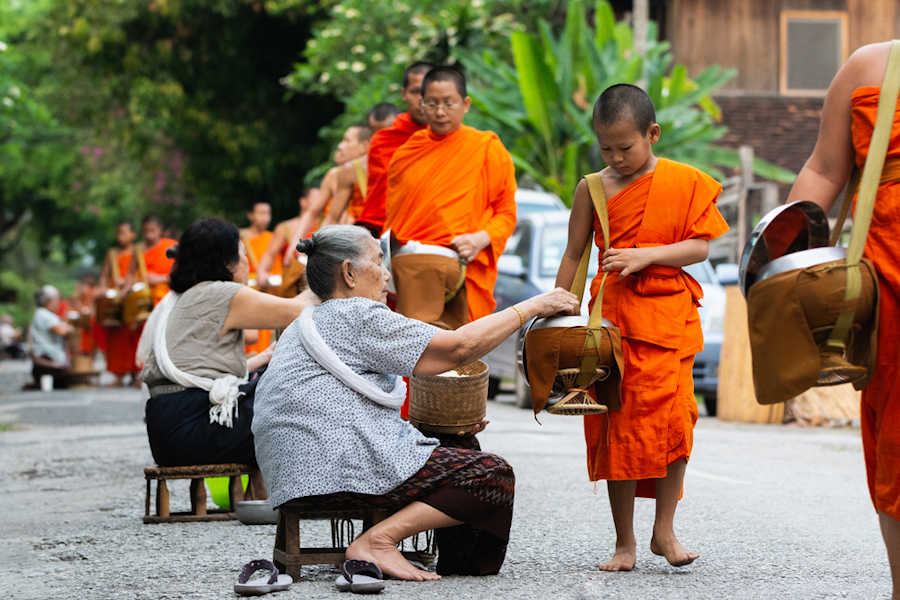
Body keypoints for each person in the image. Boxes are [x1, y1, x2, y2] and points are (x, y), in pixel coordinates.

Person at [252, 225, 578, 581]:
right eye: (378, 260)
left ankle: (455, 564)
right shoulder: (356, 314)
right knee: (492, 474)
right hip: (332, 470)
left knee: (461, 443)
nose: (387, 274)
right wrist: (534, 306)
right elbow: (458, 348)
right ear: (348, 273)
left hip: (296, 474)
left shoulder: (306, 323)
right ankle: (378, 542)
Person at [554, 84, 728, 571]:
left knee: (677, 425)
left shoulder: (683, 182)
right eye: (606, 148)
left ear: (652, 134)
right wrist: (557, 311)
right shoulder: (592, 188)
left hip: (669, 321)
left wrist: (647, 256)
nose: (616, 158)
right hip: (614, 324)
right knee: (618, 431)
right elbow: (574, 253)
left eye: (625, 148)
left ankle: (664, 531)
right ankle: (624, 543)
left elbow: (700, 247)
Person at [785, 41, 900, 599]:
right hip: (890, 287)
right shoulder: (870, 67)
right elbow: (825, 170)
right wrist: (784, 264)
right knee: (897, 445)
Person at [138, 218, 316, 469]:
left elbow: (202, 371)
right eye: (243, 253)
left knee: (270, 374)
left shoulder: (181, 297)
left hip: (167, 433)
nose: (247, 262)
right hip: (195, 428)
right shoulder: (220, 293)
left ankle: (262, 491)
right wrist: (323, 268)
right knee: (302, 389)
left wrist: (264, 357)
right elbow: (298, 309)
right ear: (227, 262)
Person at [384, 66, 517, 329]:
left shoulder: (486, 148)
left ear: (465, 104)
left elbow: (506, 213)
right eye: (432, 104)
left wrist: (479, 239)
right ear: (421, 104)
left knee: (462, 347)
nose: (440, 112)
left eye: (449, 103)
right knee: (415, 343)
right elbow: (394, 221)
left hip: (463, 265)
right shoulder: (407, 154)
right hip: (411, 271)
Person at [355, 62, 434, 238]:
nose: (422, 99)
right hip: (386, 233)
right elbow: (378, 200)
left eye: (428, 92)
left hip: (436, 235)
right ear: (404, 94)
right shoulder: (383, 141)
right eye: (416, 91)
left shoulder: (453, 139)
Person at [257, 186, 322, 296]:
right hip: (293, 283)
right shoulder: (286, 227)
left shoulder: (328, 224)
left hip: (319, 283)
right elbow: (269, 254)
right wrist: (262, 273)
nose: (322, 201)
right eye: (317, 198)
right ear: (303, 202)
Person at [101, 221, 142, 386]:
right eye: (118, 233)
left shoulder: (138, 251)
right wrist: (104, 291)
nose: (120, 236)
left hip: (133, 297)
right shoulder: (112, 254)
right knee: (117, 337)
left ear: (133, 234)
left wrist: (128, 283)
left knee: (135, 335)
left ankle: (137, 374)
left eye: (124, 233)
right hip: (116, 299)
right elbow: (104, 275)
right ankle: (118, 374)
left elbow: (141, 273)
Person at [311, 124, 373, 228]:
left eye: (347, 141)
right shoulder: (336, 173)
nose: (340, 146)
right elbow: (316, 213)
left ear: (364, 147)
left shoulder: (377, 170)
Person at [240, 200, 277, 356]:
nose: (265, 217)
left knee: (263, 331)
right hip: (245, 290)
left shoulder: (272, 238)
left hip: (265, 290)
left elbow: (276, 268)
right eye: (261, 213)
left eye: (267, 213)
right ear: (250, 215)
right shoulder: (240, 237)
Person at [26, 285, 74, 389]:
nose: (58, 303)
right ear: (50, 301)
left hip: (47, 359)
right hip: (47, 360)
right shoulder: (43, 314)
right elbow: (61, 331)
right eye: (57, 300)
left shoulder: (43, 313)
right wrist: (68, 328)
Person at [139, 215, 177, 305]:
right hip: (143, 298)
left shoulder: (172, 246)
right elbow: (130, 276)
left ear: (160, 229)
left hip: (169, 296)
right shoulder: (138, 251)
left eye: (152, 230)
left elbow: (184, 273)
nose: (149, 235)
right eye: (146, 231)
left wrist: (162, 278)